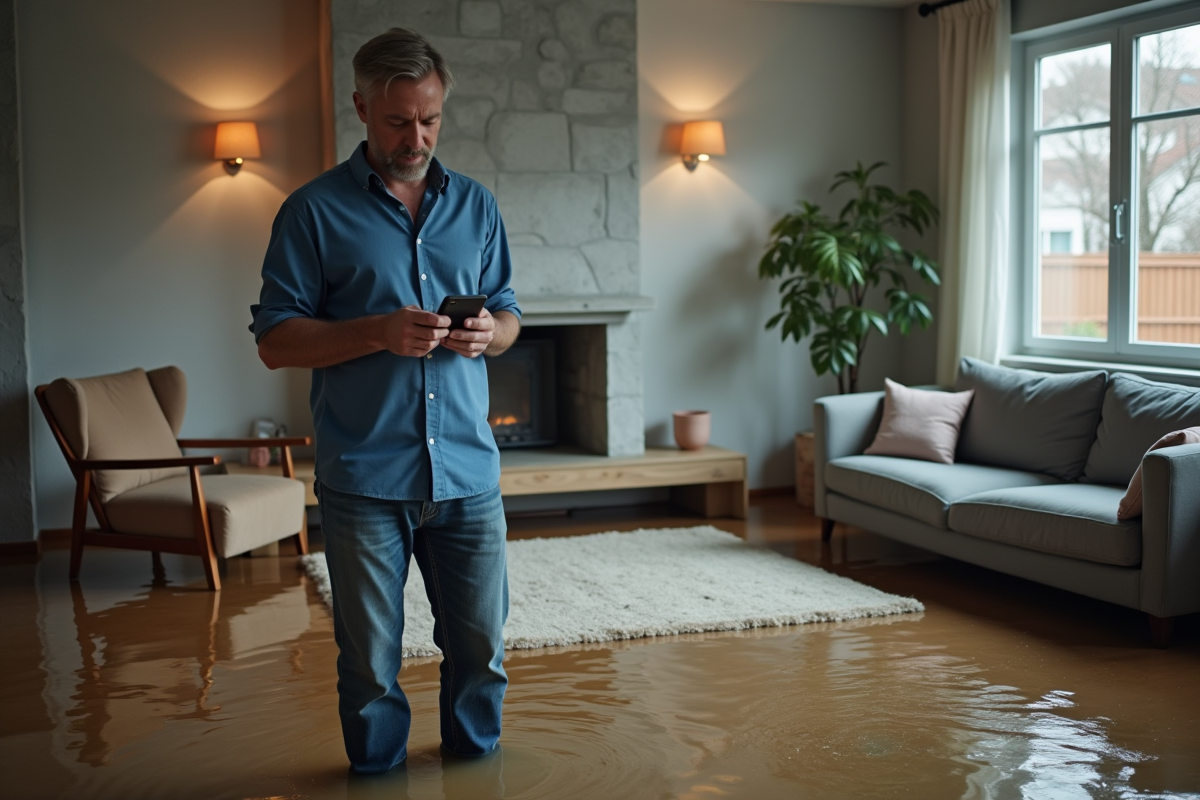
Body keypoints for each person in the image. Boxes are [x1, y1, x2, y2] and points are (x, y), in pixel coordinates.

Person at [249, 27, 520, 774]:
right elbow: (274, 341)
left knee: (482, 655)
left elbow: (509, 313)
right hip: (365, 478)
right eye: (400, 121)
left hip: (469, 473)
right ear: (362, 107)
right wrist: (375, 332)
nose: (418, 137)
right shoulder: (310, 212)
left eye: (430, 119)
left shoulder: (476, 205)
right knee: (369, 668)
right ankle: (376, 784)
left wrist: (489, 333)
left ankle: (475, 781)